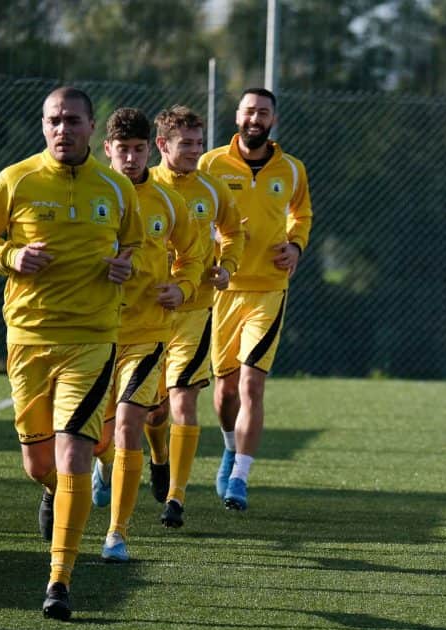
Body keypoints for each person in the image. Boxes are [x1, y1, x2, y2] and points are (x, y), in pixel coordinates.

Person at [0, 87, 143, 619]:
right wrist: (11, 254)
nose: (63, 130)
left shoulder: (115, 187)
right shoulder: (16, 179)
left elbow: (131, 243)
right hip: (29, 339)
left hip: (91, 338)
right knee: (40, 463)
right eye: (53, 121)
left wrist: (123, 265)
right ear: (44, 126)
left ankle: (59, 579)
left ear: (92, 128)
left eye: (73, 121)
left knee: (73, 455)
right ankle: (55, 489)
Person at [93, 107, 203, 561]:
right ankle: (98, 468)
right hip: (94, 332)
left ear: (149, 150)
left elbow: (194, 255)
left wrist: (183, 286)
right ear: (107, 151)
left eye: (140, 150)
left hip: (148, 333)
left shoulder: (166, 200)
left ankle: (116, 533)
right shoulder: (91, 196)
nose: (132, 159)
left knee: (129, 424)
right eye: (124, 150)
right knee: (97, 440)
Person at [199, 88, 313, 511]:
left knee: (251, 383)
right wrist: (211, 236)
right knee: (224, 392)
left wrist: (296, 246)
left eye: (263, 112)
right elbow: (193, 208)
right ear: (236, 117)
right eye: (249, 111)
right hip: (222, 289)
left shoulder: (292, 169)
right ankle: (230, 447)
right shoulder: (209, 164)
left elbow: (301, 215)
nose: (255, 118)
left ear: (273, 121)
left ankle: (240, 478)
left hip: (268, 289)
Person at [149, 104, 246, 526]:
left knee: (184, 402)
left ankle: (176, 498)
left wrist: (228, 266)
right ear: (162, 145)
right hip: (144, 314)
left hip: (195, 311)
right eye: (186, 143)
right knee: (152, 412)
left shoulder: (211, 189)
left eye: (199, 143)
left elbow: (234, 232)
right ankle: (157, 456)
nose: (194, 151)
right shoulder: (142, 186)